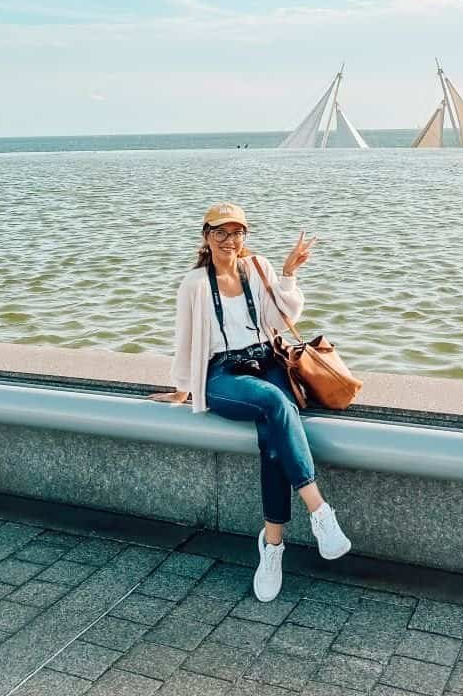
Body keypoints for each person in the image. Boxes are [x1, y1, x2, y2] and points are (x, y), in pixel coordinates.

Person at [149, 202, 351, 602]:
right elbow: (186, 337)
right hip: (223, 373)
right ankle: (319, 511)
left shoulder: (257, 267)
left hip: (266, 359)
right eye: (221, 233)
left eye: (238, 232)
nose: (230, 240)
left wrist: (290, 272)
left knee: (273, 438)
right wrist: (183, 387)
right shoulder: (194, 283)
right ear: (205, 236)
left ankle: (272, 547)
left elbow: (279, 319)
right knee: (275, 403)